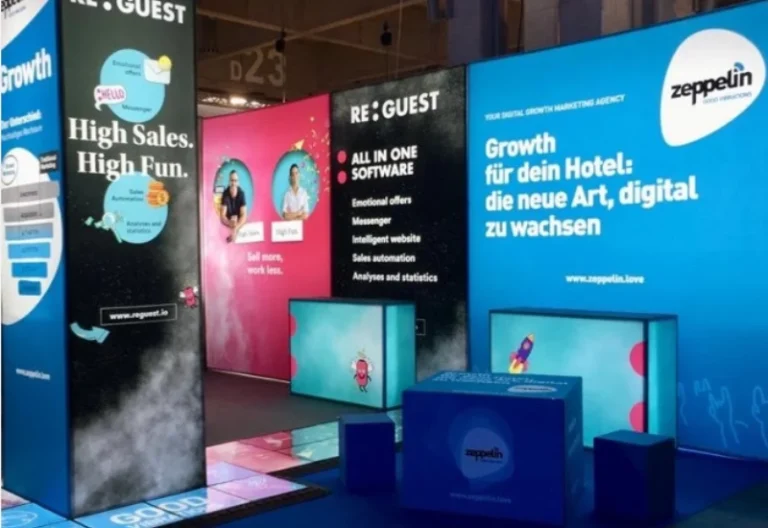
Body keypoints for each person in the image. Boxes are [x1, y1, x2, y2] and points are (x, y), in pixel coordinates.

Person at [220, 170, 247, 242]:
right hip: (228, 222)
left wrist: (236, 228)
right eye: (232, 180)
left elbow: (244, 215)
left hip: (238, 222)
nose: (233, 183)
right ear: (229, 181)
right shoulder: (225, 194)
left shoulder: (241, 194)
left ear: (238, 182)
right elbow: (222, 216)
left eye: (235, 180)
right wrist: (230, 223)